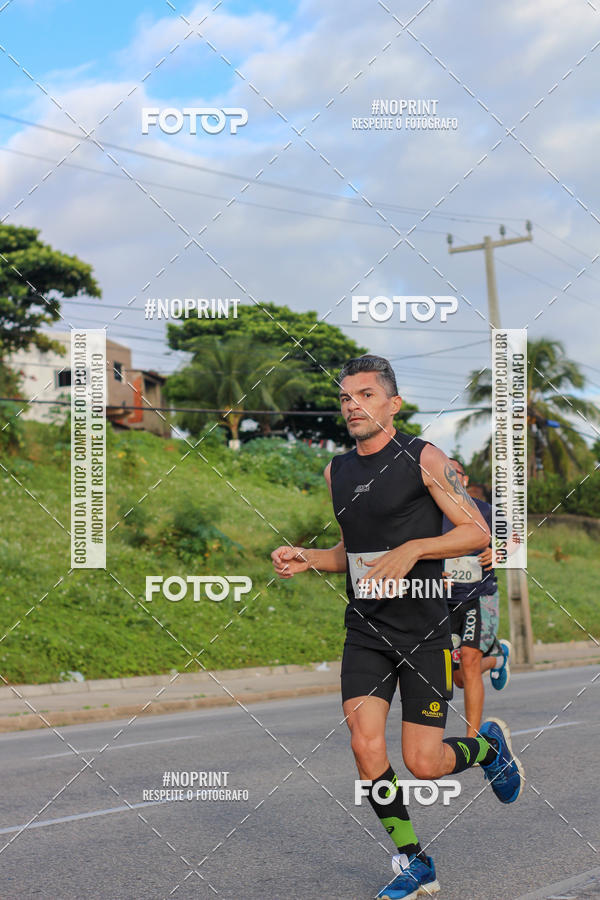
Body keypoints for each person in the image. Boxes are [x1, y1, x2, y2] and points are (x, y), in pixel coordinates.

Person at [271, 355, 524, 899]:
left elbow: (476, 533)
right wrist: (311, 558)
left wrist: (415, 548)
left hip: (424, 629)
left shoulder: (424, 458)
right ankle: (415, 860)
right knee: (365, 746)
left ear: (393, 403)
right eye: (345, 397)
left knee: (423, 763)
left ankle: (489, 751)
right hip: (365, 629)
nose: (352, 406)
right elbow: (354, 552)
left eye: (365, 395)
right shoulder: (337, 470)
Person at [442, 460, 511, 738]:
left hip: (478, 596)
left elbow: (516, 543)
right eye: (442, 474)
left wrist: (498, 553)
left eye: (454, 474)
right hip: (442, 601)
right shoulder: (427, 515)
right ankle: (498, 658)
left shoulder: (485, 511)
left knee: (469, 661)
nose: (448, 479)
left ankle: (472, 739)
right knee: (458, 677)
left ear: (465, 479)